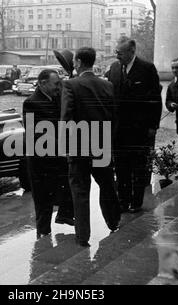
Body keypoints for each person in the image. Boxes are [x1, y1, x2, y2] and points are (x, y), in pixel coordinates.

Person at [61, 47, 121, 247]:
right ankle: (114, 222)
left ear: (77, 62)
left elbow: (66, 118)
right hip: (101, 145)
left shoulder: (70, 85)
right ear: (93, 61)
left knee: (80, 191)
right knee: (107, 185)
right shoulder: (108, 86)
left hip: (78, 148)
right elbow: (114, 118)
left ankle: (83, 236)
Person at [106, 37, 162, 214]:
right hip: (119, 130)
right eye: (116, 52)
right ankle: (123, 201)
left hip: (139, 129)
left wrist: (153, 126)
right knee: (121, 167)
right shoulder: (114, 69)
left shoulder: (147, 69)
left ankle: (136, 202)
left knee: (138, 167)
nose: (117, 56)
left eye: (120, 53)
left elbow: (155, 100)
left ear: (131, 52)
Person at [23, 69, 75, 239]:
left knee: (66, 189)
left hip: (56, 158)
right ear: (43, 83)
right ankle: (43, 234)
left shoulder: (57, 98)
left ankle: (64, 216)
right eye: (55, 84)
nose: (58, 87)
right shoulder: (31, 102)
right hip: (40, 161)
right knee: (43, 201)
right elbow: (35, 134)